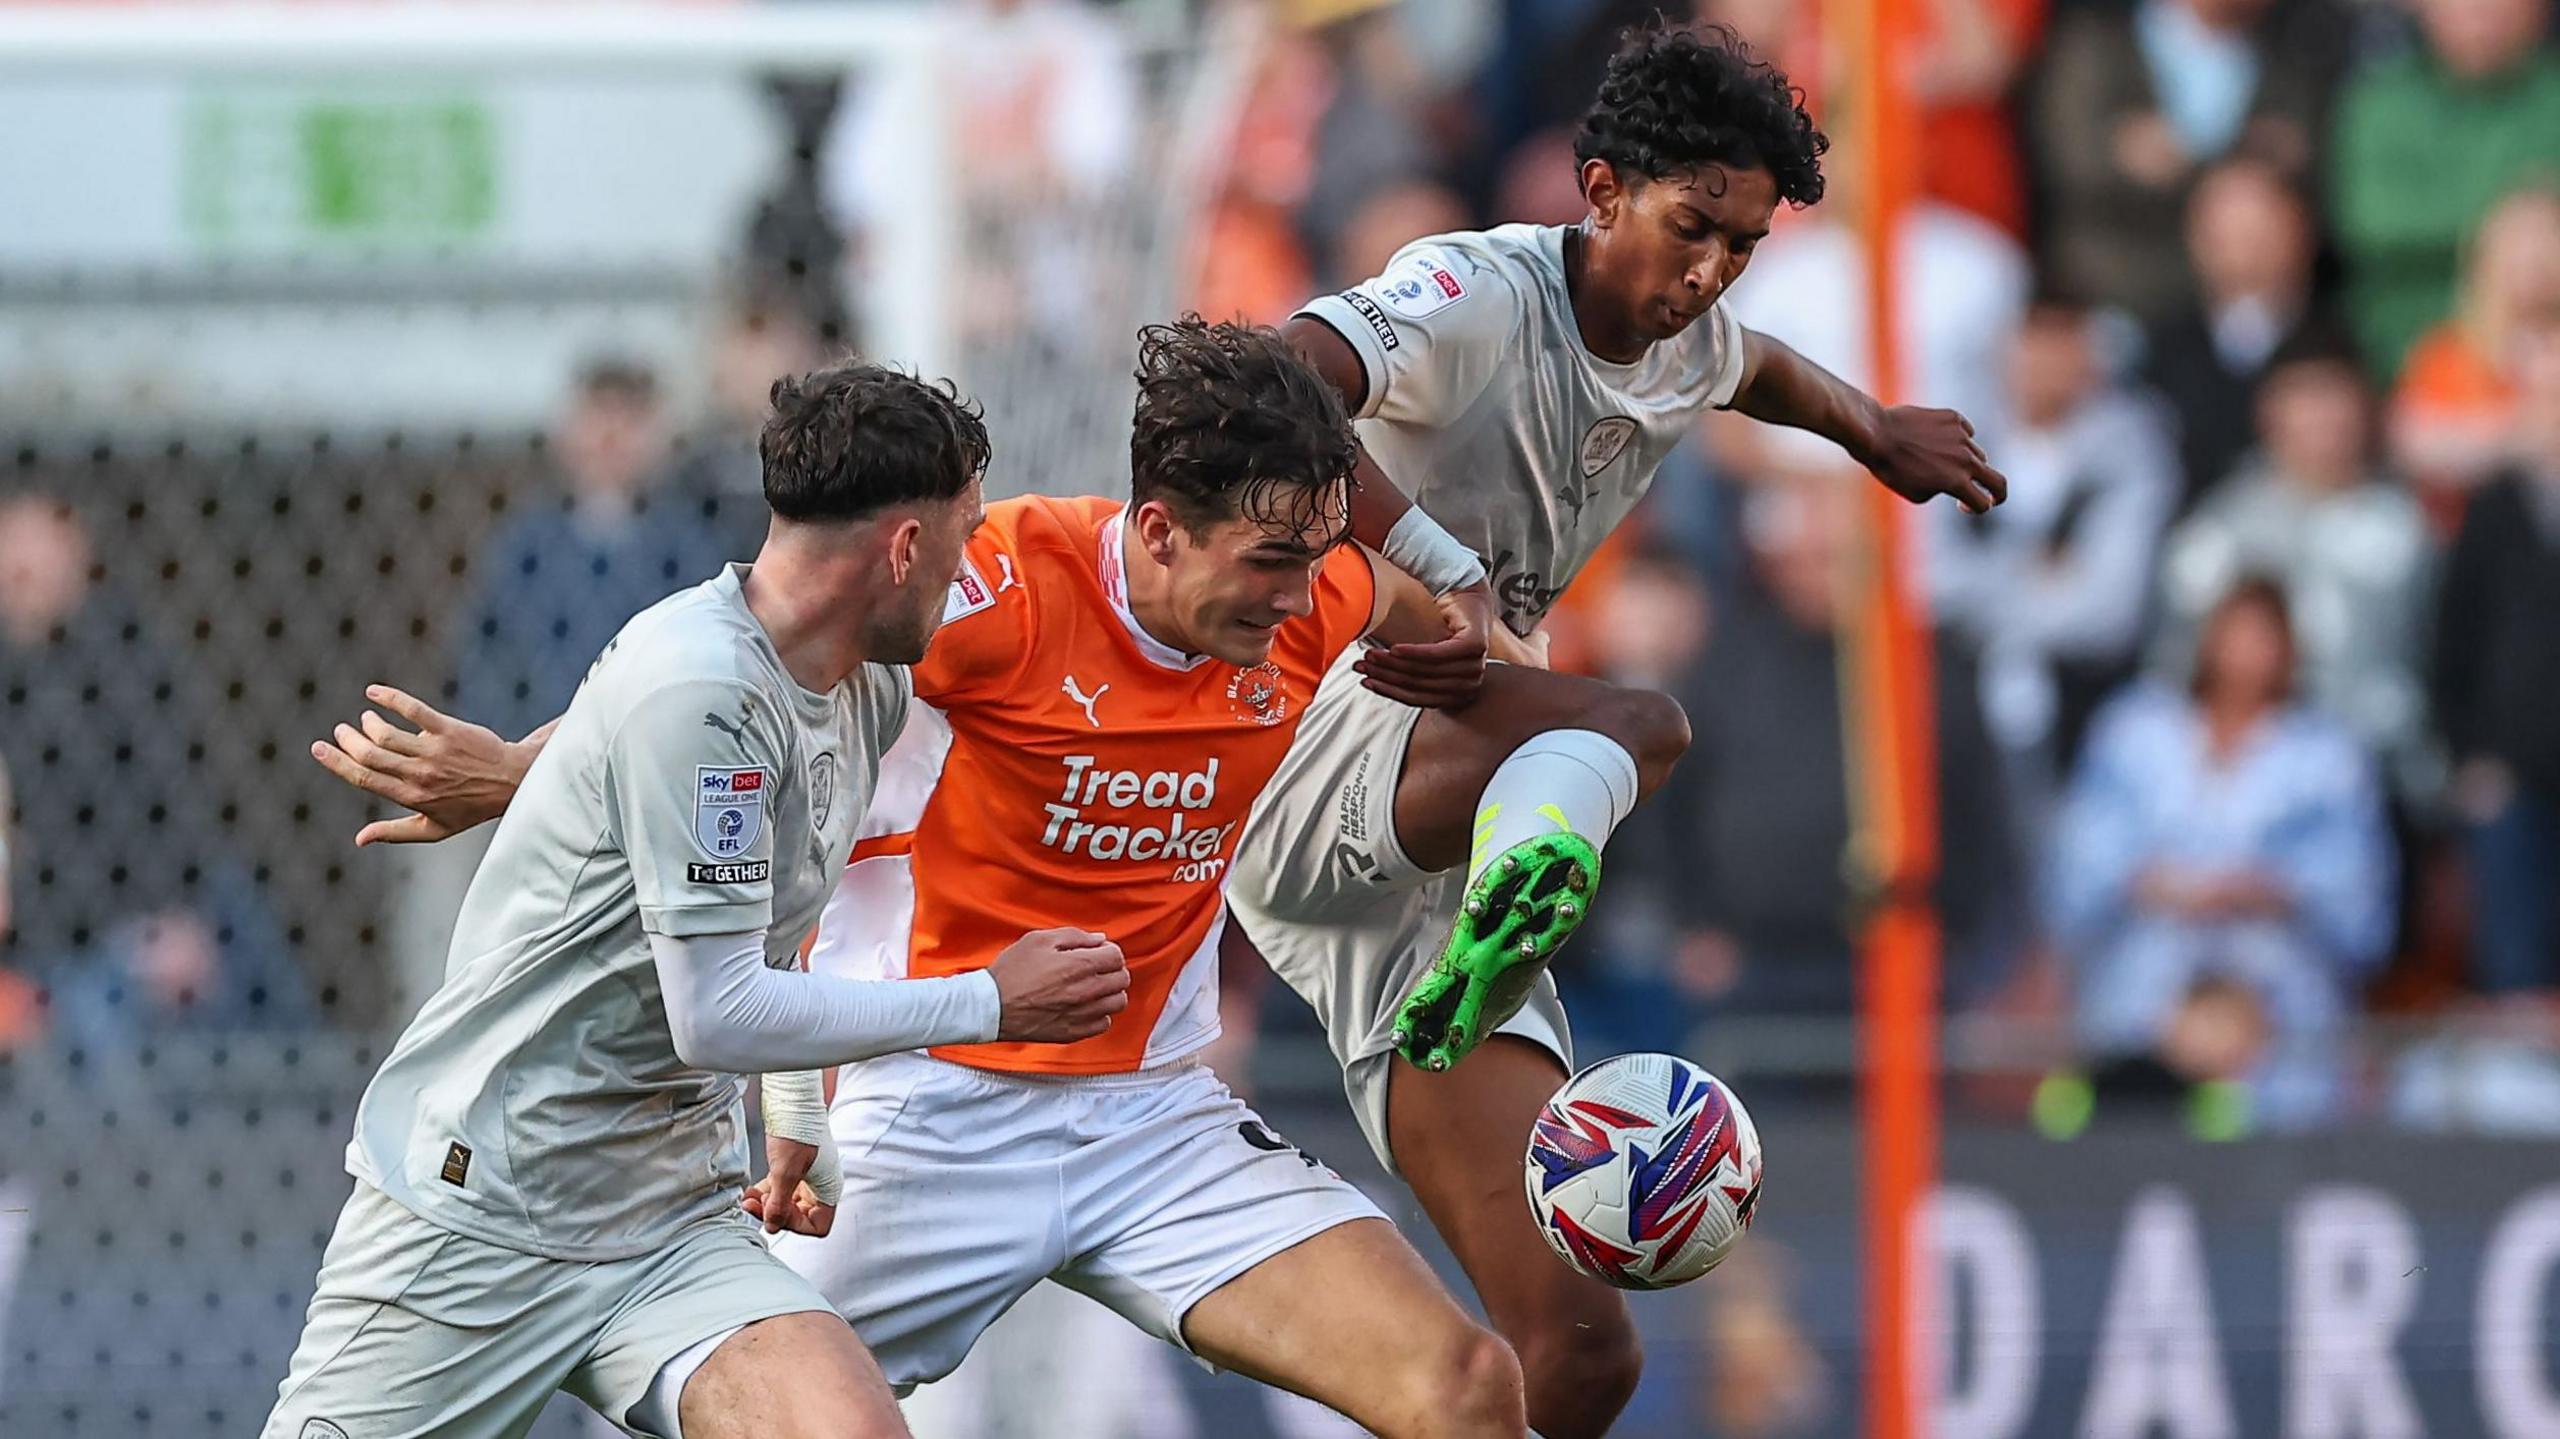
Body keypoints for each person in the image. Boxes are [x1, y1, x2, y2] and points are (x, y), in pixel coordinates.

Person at [321, 318, 1692, 1436]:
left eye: (1316, 556)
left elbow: (1409, 611)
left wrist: (1469, 641)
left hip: (1152, 1117)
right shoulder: (1001, 587)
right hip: (935, 1119)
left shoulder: (1323, 590)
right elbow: (737, 676)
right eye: (1268, 560)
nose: (1297, 596)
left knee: (1467, 1389)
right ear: (1157, 530)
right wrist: (522, 771)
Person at [1228, 23, 2006, 1438]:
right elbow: (1282, 379)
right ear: (1598, 190)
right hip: (1314, 732)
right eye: (1692, 227)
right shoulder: (1472, 288)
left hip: (1416, 888)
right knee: (1642, 719)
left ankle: (1494, 930)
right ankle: (1528, 883)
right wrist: (1439, 573)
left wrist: (1873, 427)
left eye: (1741, 245)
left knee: (1583, 1357)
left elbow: (1753, 364)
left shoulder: (1686, 336)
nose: (1710, 269)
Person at [268, 363, 1129, 1439]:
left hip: (668, 1226)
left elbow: (776, 908)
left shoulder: (863, 675)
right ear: (904, 548)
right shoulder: (702, 686)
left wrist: (797, 1111)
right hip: (483, 1210)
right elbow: (717, 1011)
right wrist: (989, 1002)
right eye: (959, 540)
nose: (965, 574)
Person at [2050, 578, 2396, 1129]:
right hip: (2148, 970)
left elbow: (2361, 902)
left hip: (2275, 981)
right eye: (2235, 634)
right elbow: (2078, 868)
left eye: (2263, 638)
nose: (2246, 654)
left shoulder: (2327, 754)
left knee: (2284, 1090)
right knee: (2122, 1088)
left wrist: (2271, 888)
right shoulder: (2135, 732)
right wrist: (2153, 882)